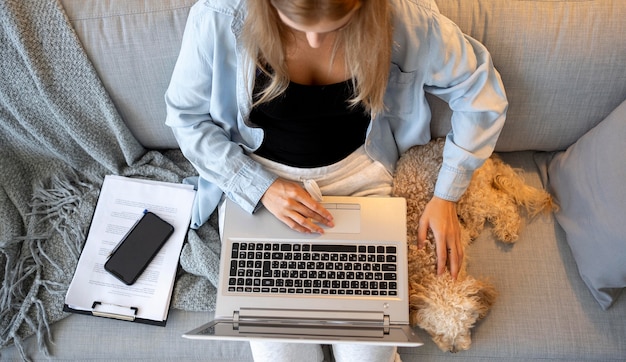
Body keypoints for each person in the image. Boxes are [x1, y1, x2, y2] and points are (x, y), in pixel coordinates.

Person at [165, 0, 507, 360]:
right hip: (260, 181)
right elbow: (186, 119)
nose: (314, 42)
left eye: (336, 24)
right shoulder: (220, 15)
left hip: (361, 176)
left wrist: (447, 195)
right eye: (295, 23)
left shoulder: (405, 19)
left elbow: (482, 95)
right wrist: (259, 186)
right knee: (282, 354)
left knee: (368, 354)